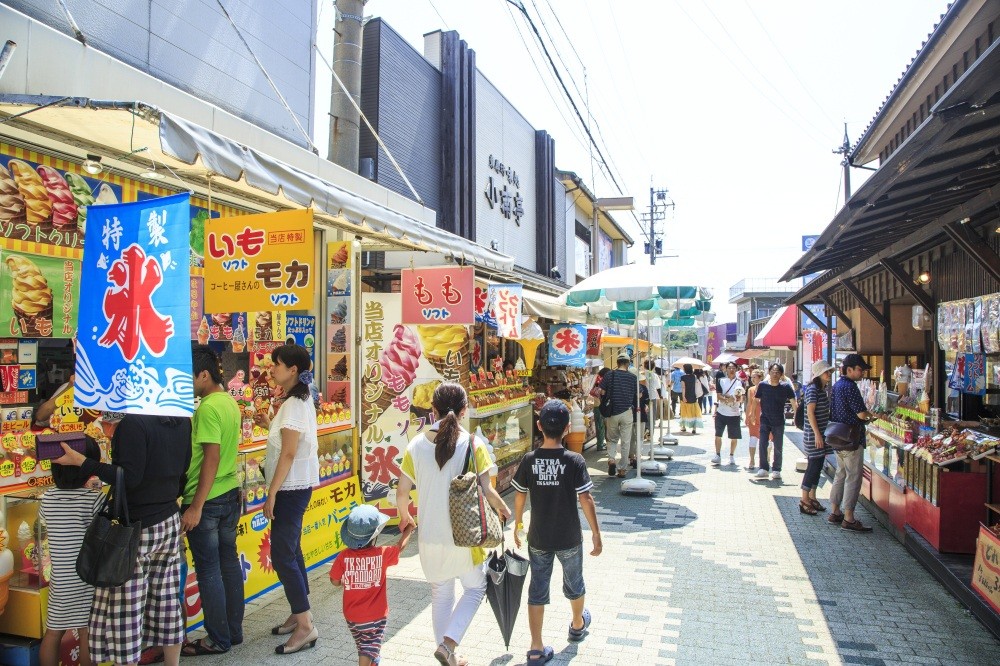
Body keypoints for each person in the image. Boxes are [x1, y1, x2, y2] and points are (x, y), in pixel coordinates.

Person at [53, 414, 192, 666]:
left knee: (126, 608)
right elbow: (184, 468)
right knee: (167, 598)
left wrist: (82, 461)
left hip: (136, 527)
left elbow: (128, 478)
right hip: (169, 518)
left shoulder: (133, 423)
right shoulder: (181, 419)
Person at [396, 382, 511, 666]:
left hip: (429, 538)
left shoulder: (415, 445)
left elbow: (401, 493)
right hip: (464, 538)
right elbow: (487, 489)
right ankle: (448, 645)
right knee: (475, 588)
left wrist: (405, 517)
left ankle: (448, 654)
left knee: (441, 594)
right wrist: (504, 509)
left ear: (432, 410)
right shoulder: (473, 444)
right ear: (464, 410)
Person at [512, 400, 602, 665]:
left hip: (538, 536)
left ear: (539, 426)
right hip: (569, 536)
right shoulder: (574, 460)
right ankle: (577, 624)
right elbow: (586, 499)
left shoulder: (530, 459)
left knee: (537, 588)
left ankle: (536, 647)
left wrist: (518, 525)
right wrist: (596, 532)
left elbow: (519, 496)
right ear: (566, 430)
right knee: (575, 582)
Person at [253, 344, 321, 654]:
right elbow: (288, 444)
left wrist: (271, 492)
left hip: (291, 489)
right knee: (291, 549)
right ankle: (300, 611)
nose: (272, 369)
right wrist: (269, 426)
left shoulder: (295, 404)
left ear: (293, 370)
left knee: (281, 554)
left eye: (276, 364)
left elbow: (291, 452)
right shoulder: (297, 400)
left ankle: (306, 625)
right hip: (296, 486)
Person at [180, 345, 244, 655]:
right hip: (230, 494)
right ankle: (233, 631)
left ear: (204, 375)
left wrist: (196, 505)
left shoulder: (206, 407)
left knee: (208, 570)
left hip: (208, 500)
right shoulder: (229, 402)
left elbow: (212, 456)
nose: (184, 383)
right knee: (228, 563)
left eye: (187, 377)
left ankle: (218, 638)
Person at [39, 437, 102, 666]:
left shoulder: (47, 498)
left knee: (54, 631)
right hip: (86, 577)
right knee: (87, 632)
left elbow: (44, 522)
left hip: (60, 578)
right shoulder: (94, 499)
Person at [330, 505, 414, 666]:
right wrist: (408, 530)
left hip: (351, 616)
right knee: (368, 648)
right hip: (375, 616)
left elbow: (334, 580)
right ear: (374, 535)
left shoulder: (343, 556)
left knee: (364, 646)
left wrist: (342, 582)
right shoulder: (381, 554)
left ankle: (373, 662)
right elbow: (399, 547)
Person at [829, 354, 877, 532]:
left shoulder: (837, 386)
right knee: (853, 478)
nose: (862, 372)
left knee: (840, 475)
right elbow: (861, 414)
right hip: (852, 439)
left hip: (837, 437)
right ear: (849, 370)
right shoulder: (851, 387)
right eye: (859, 369)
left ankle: (835, 512)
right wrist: (874, 416)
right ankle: (848, 517)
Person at [752, 363, 798, 481]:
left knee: (778, 446)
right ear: (769, 372)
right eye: (773, 371)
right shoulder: (762, 385)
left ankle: (777, 469)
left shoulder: (786, 386)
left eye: (777, 372)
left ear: (781, 374)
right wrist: (752, 414)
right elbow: (756, 400)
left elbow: (793, 401)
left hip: (778, 420)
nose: (775, 374)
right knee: (763, 443)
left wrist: (796, 416)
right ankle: (763, 468)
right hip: (765, 419)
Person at [800, 360, 833, 515]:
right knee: (813, 467)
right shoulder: (812, 390)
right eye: (827, 372)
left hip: (821, 435)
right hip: (814, 436)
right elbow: (810, 412)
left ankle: (812, 496)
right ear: (819, 374)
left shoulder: (821, 390)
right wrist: (817, 434)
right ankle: (804, 499)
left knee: (818, 466)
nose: (829, 375)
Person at [602, 353, 639, 477]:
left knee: (612, 439)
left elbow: (601, 391)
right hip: (627, 412)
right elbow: (637, 395)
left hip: (612, 412)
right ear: (628, 364)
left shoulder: (609, 375)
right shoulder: (633, 378)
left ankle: (612, 459)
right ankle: (622, 469)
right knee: (625, 441)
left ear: (617, 363)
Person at [712, 362, 744, 467]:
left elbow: (741, 398)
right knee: (718, 434)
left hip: (734, 413)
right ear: (725, 369)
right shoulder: (721, 381)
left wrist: (732, 398)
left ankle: (731, 455)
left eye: (733, 368)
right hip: (721, 412)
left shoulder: (740, 382)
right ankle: (717, 455)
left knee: (734, 437)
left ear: (736, 369)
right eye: (729, 368)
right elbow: (718, 396)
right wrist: (727, 399)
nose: (731, 370)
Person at [745, 369, 764, 470]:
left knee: (767, 440)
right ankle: (752, 459)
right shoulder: (750, 389)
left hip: (765, 417)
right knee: (753, 438)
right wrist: (747, 415)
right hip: (754, 416)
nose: (752, 379)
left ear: (760, 378)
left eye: (755, 377)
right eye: (751, 377)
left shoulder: (766, 388)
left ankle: (766, 459)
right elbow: (749, 404)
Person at [678, 364, 702, 435]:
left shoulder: (683, 377)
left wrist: (683, 396)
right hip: (693, 396)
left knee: (684, 411)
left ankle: (684, 426)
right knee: (694, 412)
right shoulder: (694, 376)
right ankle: (694, 428)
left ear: (685, 369)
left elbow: (683, 388)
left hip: (686, 396)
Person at [591, 367, 610, 451]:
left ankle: (601, 443)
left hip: (598, 405)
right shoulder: (600, 381)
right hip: (599, 405)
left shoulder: (597, 380)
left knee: (600, 426)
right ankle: (600, 445)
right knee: (601, 426)